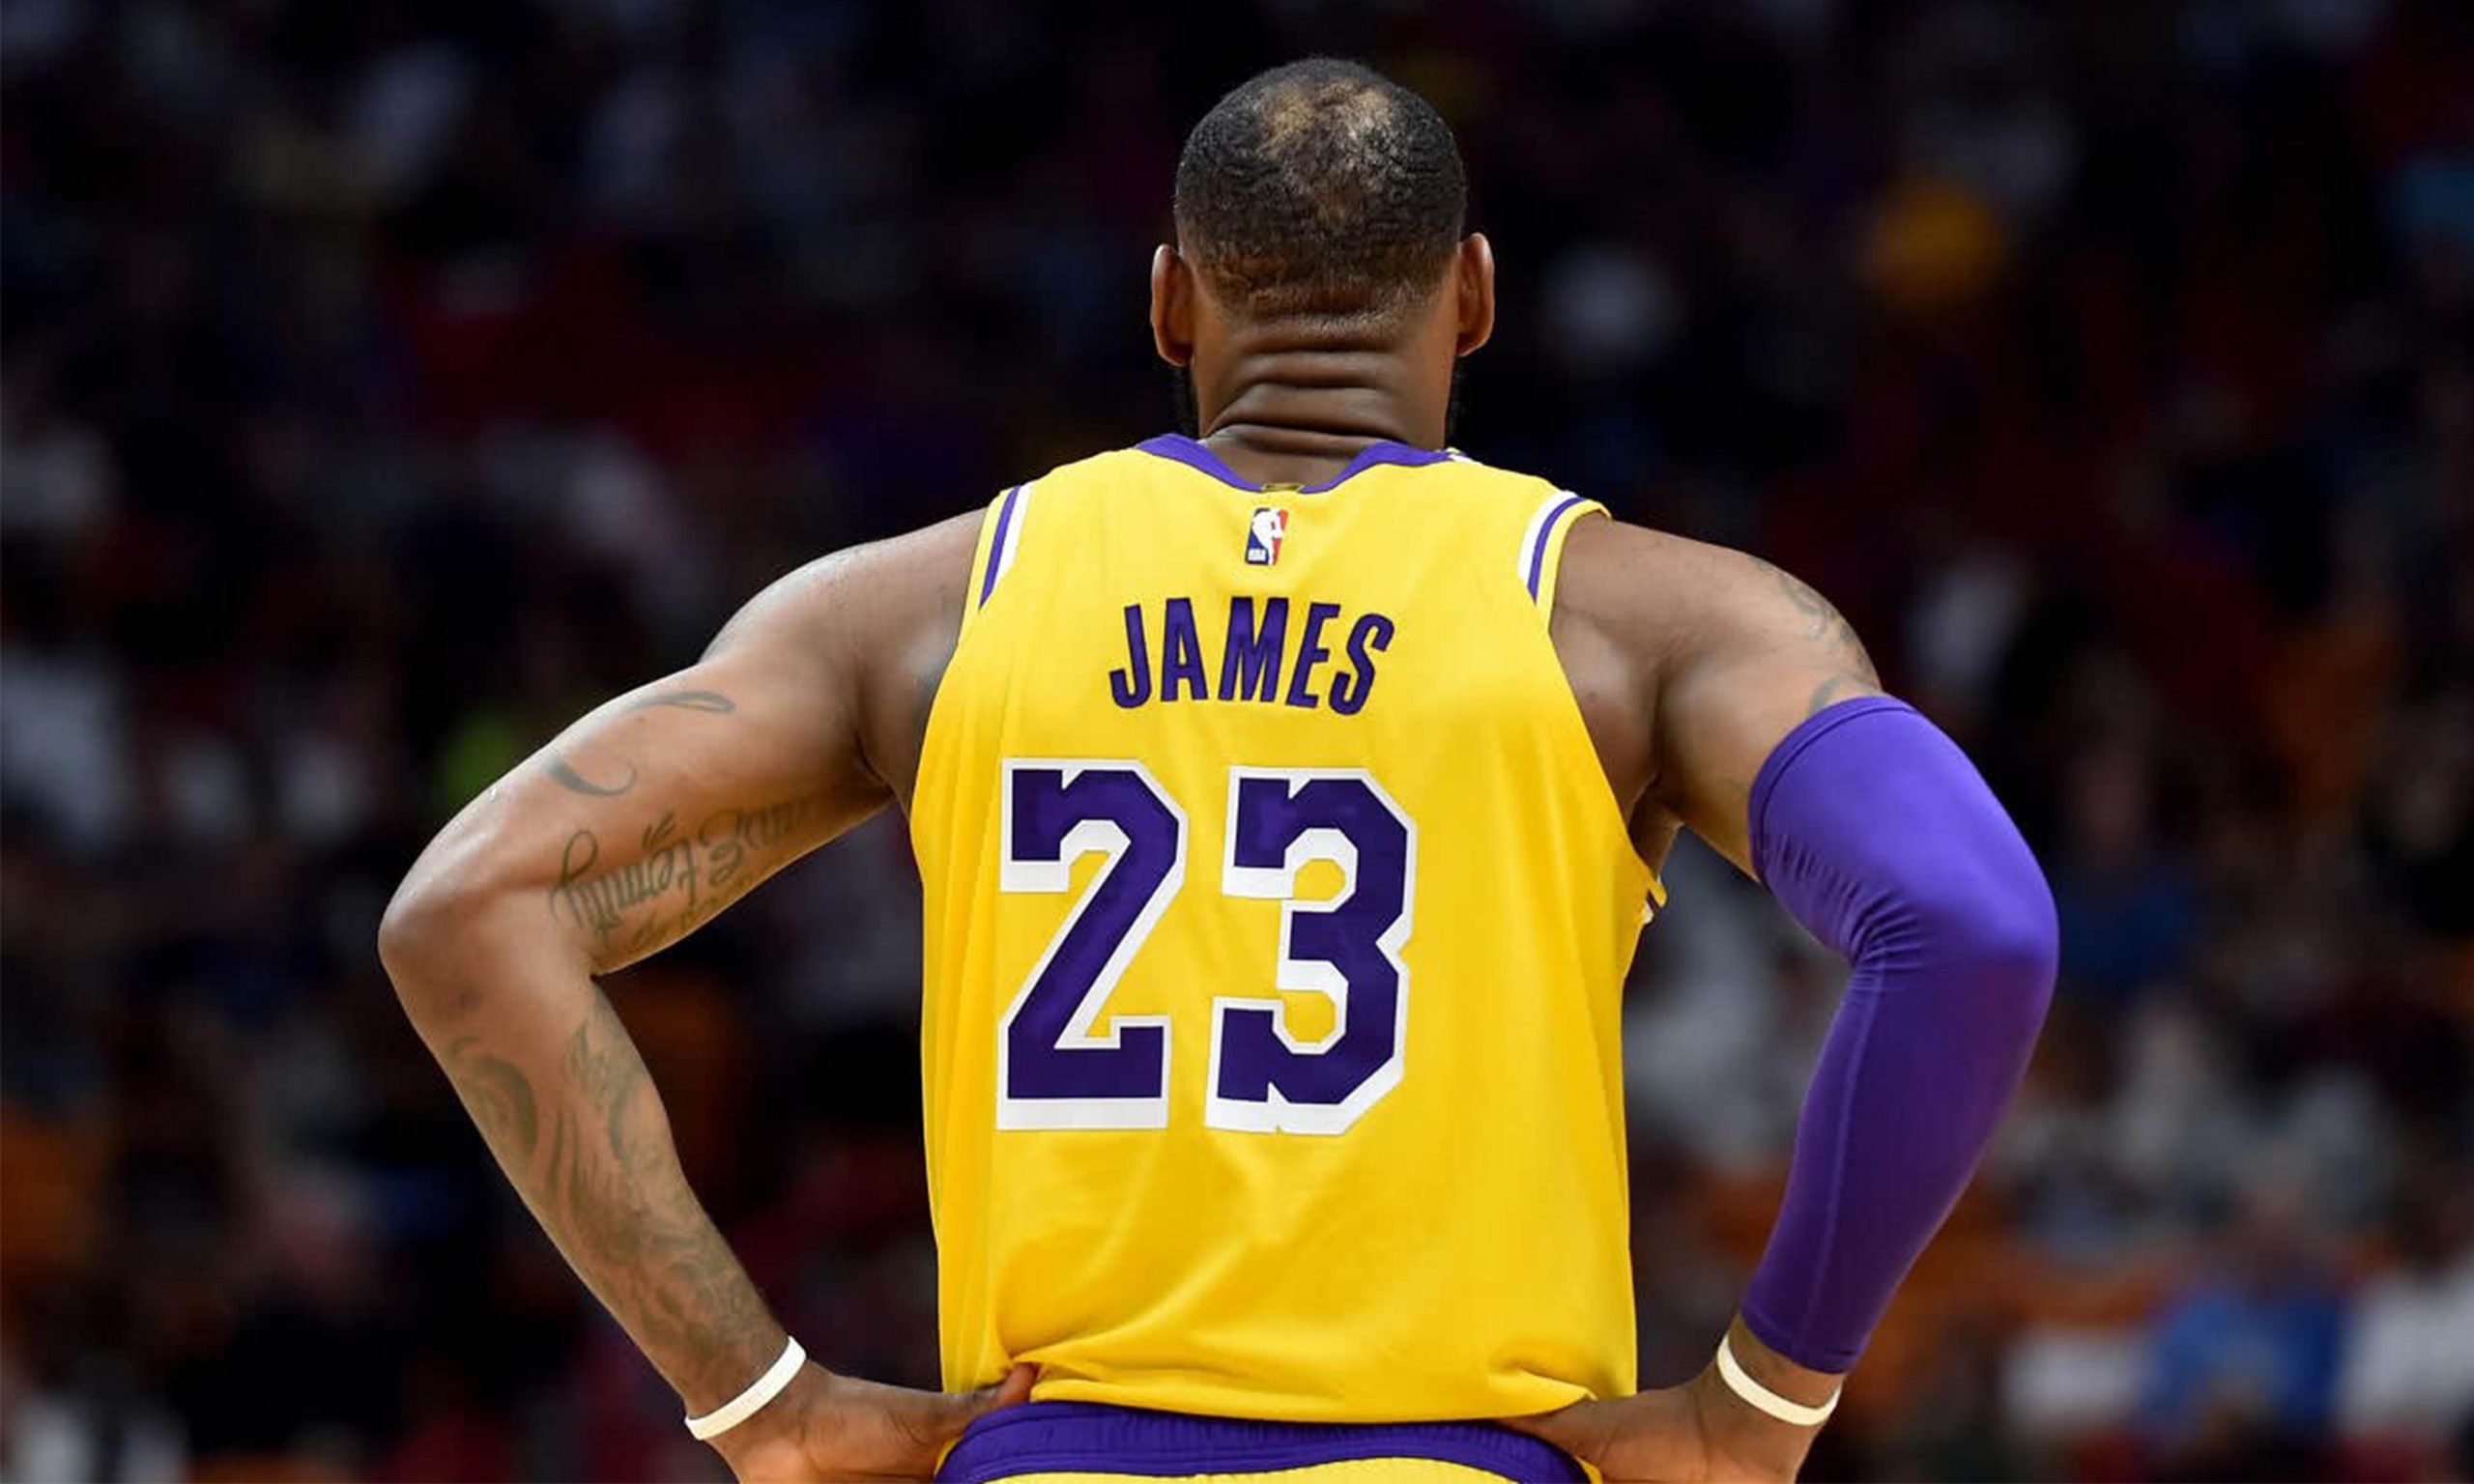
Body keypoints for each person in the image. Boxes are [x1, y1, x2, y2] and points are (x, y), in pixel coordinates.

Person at [378, 59, 2057, 1484]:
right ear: (1474, 297)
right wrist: (1764, 1401)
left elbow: (466, 909)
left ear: (1170, 303)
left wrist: (764, 1404)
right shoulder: (1653, 622)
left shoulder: (913, 613)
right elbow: (1973, 927)